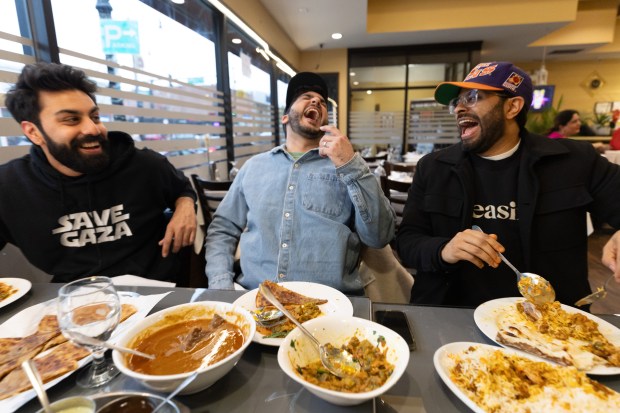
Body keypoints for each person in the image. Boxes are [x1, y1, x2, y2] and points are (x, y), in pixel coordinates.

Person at [395, 61, 620, 307]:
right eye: (456, 102)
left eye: (472, 97)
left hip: (552, 320)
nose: (459, 108)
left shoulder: (574, 161)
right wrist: (444, 249)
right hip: (452, 312)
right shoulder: (434, 167)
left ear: (512, 106)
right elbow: (407, 241)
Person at [1, 62, 197, 283]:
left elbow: (182, 189)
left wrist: (185, 204)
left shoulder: (145, 165)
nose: (93, 129)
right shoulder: (9, 186)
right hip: (72, 299)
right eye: (72, 119)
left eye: (94, 117)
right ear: (33, 132)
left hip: (157, 290)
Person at [204, 72, 395, 293]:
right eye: (306, 96)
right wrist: (221, 286)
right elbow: (223, 230)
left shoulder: (346, 167)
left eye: (323, 102)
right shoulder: (253, 167)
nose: (316, 102)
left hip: (331, 307)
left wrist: (350, 163)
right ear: (285, 117)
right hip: (256, 300)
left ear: (325, 121)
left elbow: (380, 236)